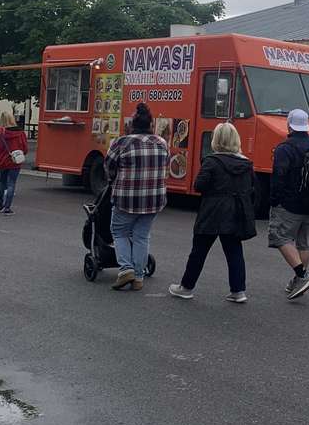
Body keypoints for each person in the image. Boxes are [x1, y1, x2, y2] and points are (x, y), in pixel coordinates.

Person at [169, 122, 257, 303]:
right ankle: (238, 291)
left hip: (212, 210)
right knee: (234, 252)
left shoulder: (212, 161)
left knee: (199, 251)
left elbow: (199, 185)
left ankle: (186, 287)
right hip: (236, 211)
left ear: (216, 140)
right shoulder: (246, 164)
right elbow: (253, 189)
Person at [105, 102, 169, 292]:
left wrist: (113, 179)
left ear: (132, 124)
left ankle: (126, 269)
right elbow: (165, 166)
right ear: (151, 124)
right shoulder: (161, 143)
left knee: (119, 232)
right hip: (154, 199)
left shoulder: (121, 142)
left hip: (126, 198)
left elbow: (108, 167)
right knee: (142, 236)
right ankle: (139, 277)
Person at [269, 109, 309, 300]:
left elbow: (279, 177)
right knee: (304, 243)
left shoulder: (284, 149)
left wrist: (274, 200)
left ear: (289, 125)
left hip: (290, 204)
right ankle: (297, 281)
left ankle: (302, 276)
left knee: (279, 236)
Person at [0, 111, 29, 215]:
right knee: (11, 184)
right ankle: (7, 208)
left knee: (1, 182)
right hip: (15, 161)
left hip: (3, 160)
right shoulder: (20, 133)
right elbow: (25, 149)